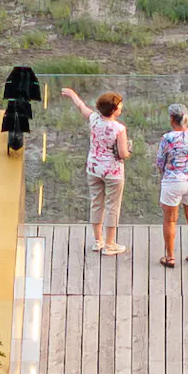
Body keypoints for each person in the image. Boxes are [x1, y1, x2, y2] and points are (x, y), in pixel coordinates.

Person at [60, 84, 131, 255]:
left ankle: (98, 240)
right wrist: (128, 151)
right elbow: (122, 153)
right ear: (114, 110)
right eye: (119, 107)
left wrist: (72, 94)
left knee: (96, 203)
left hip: (93, 168)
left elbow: (81, 106)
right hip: (113, 172)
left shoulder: (94, 119)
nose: (121, 108)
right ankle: (110, 244)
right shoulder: (119, 129)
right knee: (112, 206)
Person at [152, 105, 188, 267]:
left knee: (170, 220)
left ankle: (170, 257)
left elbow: (160, 161)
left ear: (171, 118)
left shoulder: (168, 138)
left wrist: (164, 172)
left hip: (174, 181)